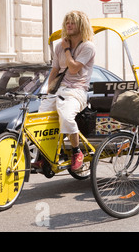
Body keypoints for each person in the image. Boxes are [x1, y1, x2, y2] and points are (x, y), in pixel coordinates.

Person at [39, 10, 96, 170]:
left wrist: (67, 49)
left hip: (76, 90)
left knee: (66, 116)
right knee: (41, 119)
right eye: (67, 23)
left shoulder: (87, 46)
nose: (69, 25)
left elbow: (72, 69)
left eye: (73, 23)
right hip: (58, 90)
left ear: (81, 25)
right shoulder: (59, 46)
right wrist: (49, 92)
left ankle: (77, 152)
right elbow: (55, 70)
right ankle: (44, 155)